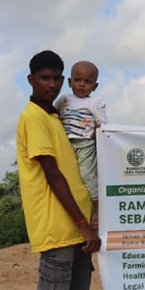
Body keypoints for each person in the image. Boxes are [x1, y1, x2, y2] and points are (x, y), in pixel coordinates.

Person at [16, 50, 108, 290]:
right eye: (45, 78)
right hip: (59, 227)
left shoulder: (56, 116)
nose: (51, 84)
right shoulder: (34, 118)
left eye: (56, 78)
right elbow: (53, 175)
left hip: (79, 227)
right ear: (31, 80)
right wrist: (84, 224)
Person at [54, 60, 107, 221]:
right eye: (77, 80)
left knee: (88, 176)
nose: (82, 85)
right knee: (66, 177)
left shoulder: (95, 102)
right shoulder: (63, 100)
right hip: (65, 144)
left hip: (85, 144)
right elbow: (53, 116)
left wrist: (96, 134)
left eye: (87, 82)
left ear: (94, 86)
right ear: (70, 82)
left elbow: (102, 124)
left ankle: (99, 210)